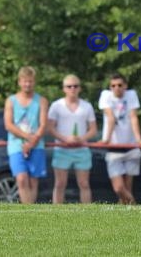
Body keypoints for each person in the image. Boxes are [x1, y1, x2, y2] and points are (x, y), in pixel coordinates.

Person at [47, 74, 97, 204]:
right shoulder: (56, 105)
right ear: (64, 88)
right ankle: (56, 214)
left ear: (80, 88)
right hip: (62, 149)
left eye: (75, 86)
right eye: (69, 86)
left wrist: (81, 139)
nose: (72, 89)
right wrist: (65, 139)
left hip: (81, 149)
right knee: (60, 184)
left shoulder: (87, 106)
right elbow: (50, 128)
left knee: (84, 184)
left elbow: (93, 129)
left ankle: (87, 214)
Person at [99, 73, 141, 205]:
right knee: (119, 188)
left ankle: (127, 213)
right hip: (114, 146)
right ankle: (134, 205)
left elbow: (133, 117)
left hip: (130, 145)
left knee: (127, 186)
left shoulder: (130, 95)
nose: (116, 88)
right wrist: (106, 139)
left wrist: (138, 139)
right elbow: (110, 118)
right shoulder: (105, 96)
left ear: (125, 86)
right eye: (113, 86)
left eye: (120, 85)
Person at [3, 66, 48, 204]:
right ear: (19, 82)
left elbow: (43, 124)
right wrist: (27, 137)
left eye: (30, 81)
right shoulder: (11, 101)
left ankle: (30, 211)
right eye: (25, 81)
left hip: (37, 145)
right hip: (16, 145)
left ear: (34, 82)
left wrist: (32, 141)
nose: (27, 84)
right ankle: (25, 211)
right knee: (22, 179)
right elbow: (8, 124)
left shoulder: (41, 101)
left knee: (34, 181)